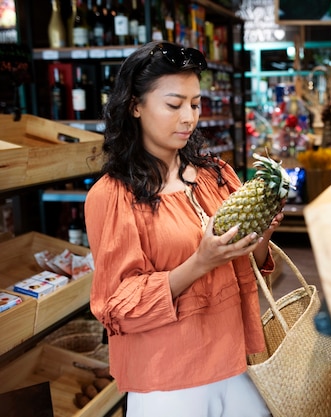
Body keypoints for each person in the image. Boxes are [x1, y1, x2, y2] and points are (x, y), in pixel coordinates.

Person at [84, 41, 282, 417]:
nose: (189, 118)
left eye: (195, 104)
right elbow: (117, 305)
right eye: (174, 105)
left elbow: (250, 270)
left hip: (237, 361)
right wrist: (200, 262)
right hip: (168, 379)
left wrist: (262, 233)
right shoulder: (113, 197)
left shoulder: (216, 176)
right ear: (135, 106)